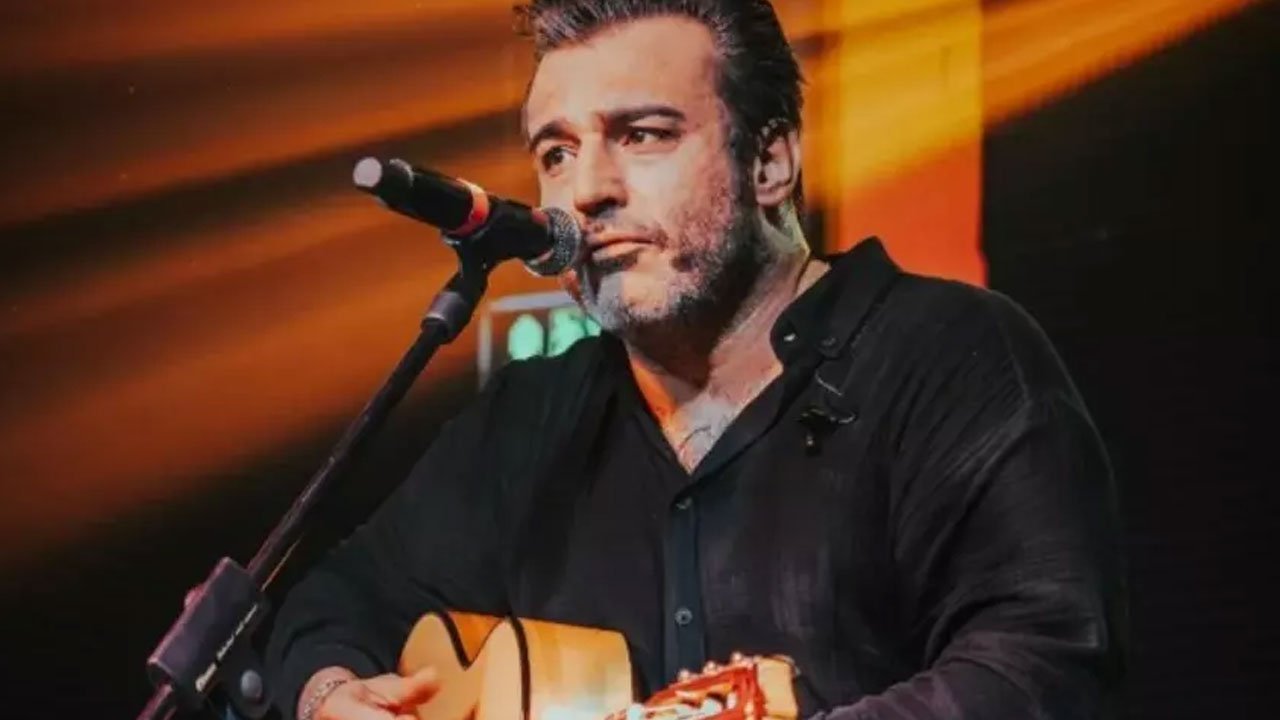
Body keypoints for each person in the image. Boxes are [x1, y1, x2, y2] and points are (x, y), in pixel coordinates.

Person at [266, 1, 1128, 718]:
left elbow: (1043, 662)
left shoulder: (949, 354)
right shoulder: (530, 420)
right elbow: (335, 601)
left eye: (642, 135)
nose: (587, 190)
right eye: (556, 153)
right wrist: (329, 692)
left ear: (770, 162)